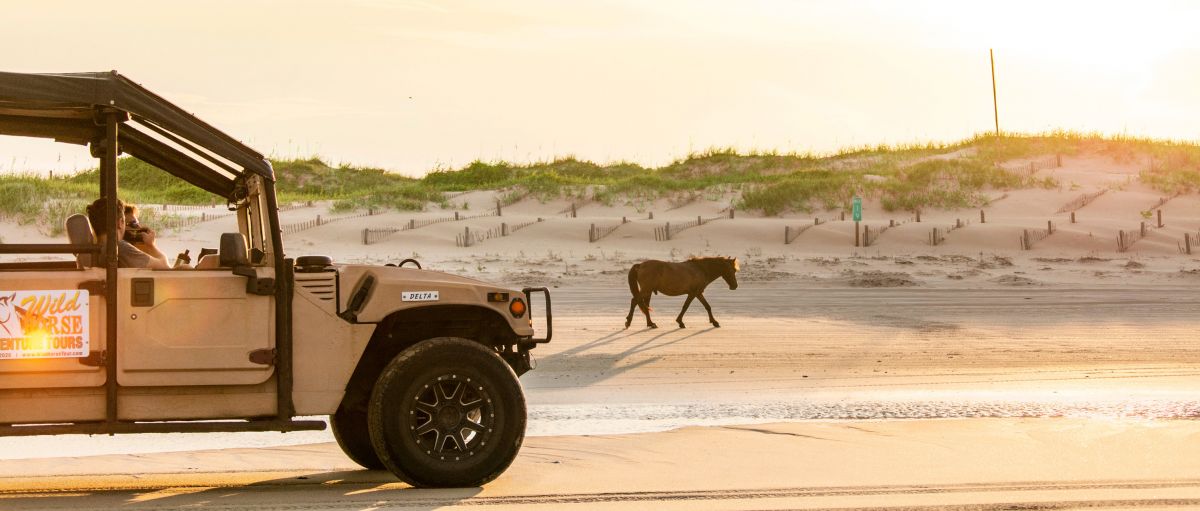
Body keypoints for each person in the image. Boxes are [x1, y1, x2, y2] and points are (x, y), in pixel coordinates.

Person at [86, 198, 171, 269]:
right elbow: (164, 267)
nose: (138, 227)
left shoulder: (91, 250)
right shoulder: (119, 248)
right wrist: (151, 246)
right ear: (120, 222)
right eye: (133, 224)